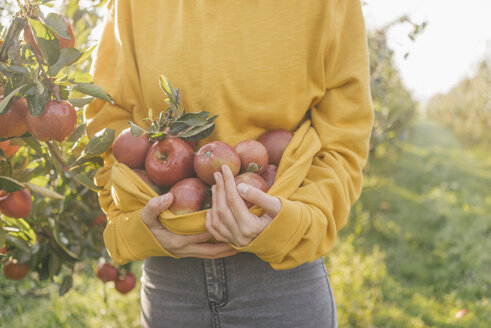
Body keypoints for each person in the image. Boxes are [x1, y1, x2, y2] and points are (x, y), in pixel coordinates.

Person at [85, 0, 373, 327]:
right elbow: (107, 124)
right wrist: (132, 229)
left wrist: (296, 228)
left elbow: (343, 137)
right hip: (171, 276)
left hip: (280, 279)